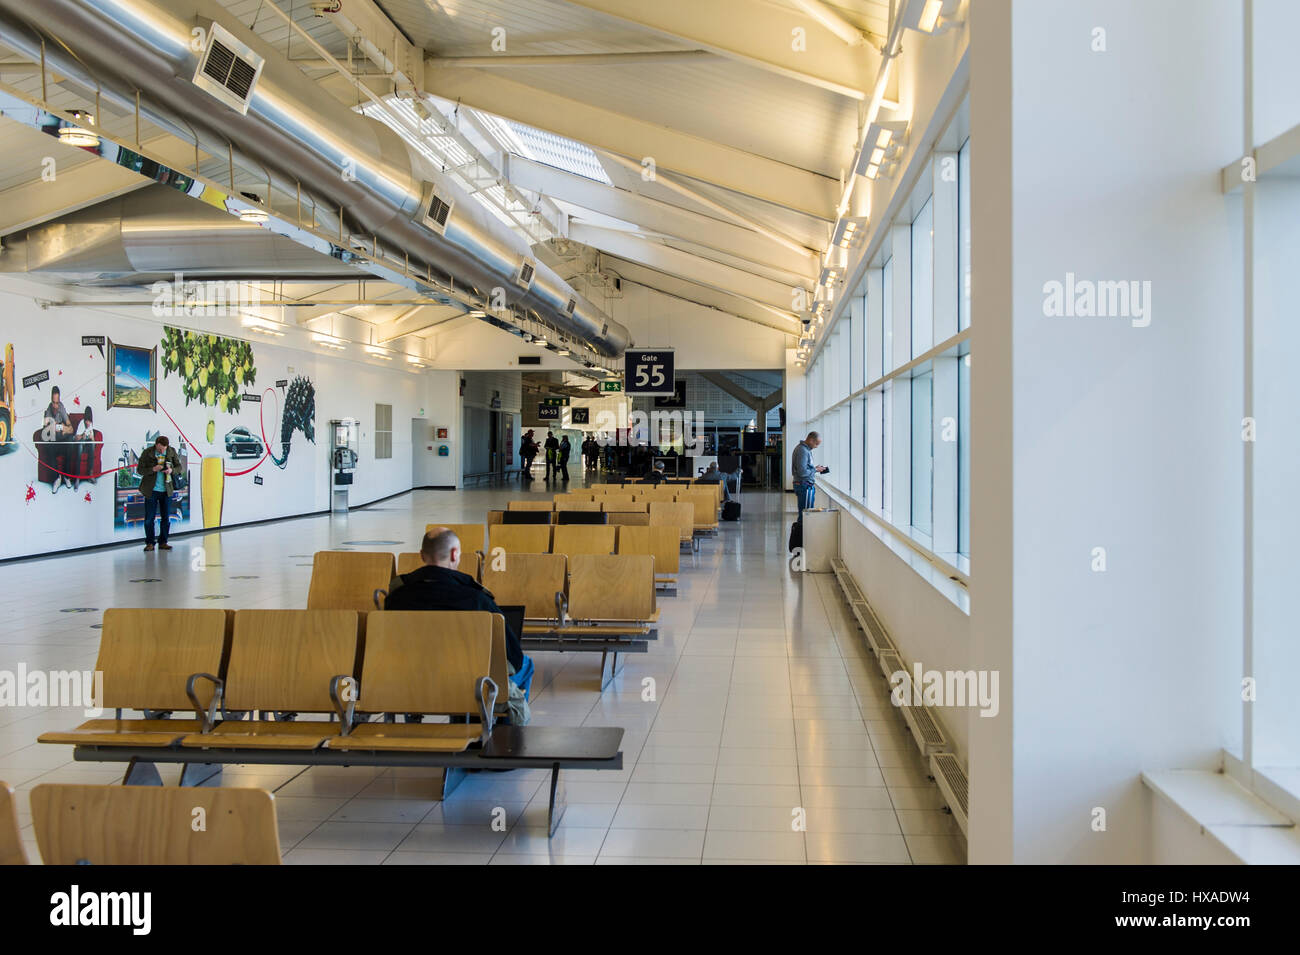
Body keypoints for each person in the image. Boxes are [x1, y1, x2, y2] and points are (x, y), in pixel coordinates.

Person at [384, 528, 534, 708]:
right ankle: (501, 727)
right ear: (455, 554)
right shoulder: (476, 599)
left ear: (422, 555)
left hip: (408, 681)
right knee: (525, 664)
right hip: (469, 684)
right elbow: (512, 657)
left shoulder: (395, 599)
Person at [136, 435, 183, 551]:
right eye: (161, 449)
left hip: (166, 490)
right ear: (156, 444)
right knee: (149, 518)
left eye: (164, 449)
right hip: (151, 490)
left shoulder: (171, 451)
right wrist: (153, 469)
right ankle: (150, 543)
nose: (163, 451)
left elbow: (179, 467)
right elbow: (140, 470)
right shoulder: (147, 453)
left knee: (166, 517)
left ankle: (163, 542)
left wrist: (172, 470)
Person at [43, 385, 74, 493]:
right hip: (54, 443)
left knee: (70, 440)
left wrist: (65, 427)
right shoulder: (49, 409)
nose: (56, 406)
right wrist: (52, 426)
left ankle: (66, 476)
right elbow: (45, 427)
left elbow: (70, 426)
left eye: (57, 402)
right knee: (48, 441)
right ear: (51, 401)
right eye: (54, 403)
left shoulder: (61, 407)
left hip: (63, 442)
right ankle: (57, 478)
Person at [791, 431, 828, 516]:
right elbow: (802, 472)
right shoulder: (802, 450)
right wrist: (815, 470)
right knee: (806, 515)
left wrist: (814, 468)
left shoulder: (804, 449)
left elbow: (804, 468)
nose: (816, 447)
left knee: (806, 514)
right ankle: (803, 529)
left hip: (804, 484)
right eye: (816, 444)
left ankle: (803, 528)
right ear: (811, 440)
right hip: (804, 485)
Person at [72, 406, 96, 490]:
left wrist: (91, 437)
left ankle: (90, 474)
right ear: (84, 419)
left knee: (92, 444)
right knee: (80, 444)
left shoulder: (90, 424)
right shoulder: (81, 423)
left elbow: (93, 439)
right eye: (87, 420)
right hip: (79, 445)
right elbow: (75, 438)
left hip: (87, 446)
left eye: (89, 421)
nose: (88, 422)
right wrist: (83, 435)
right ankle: (77, 478)